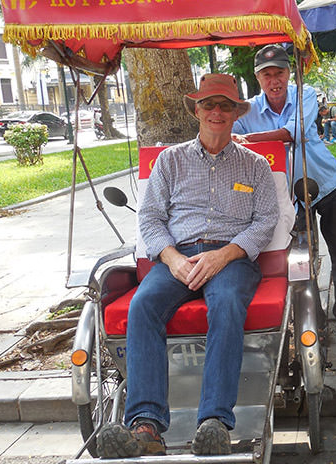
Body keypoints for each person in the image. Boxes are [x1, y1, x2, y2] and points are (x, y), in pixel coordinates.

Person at [96, 73, 279, 458]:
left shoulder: (256, 165)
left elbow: (265, 221)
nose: (216, 112)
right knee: (143, 305)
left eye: (225, 106)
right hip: (176, 257)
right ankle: (145, 425)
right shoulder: (170, 159)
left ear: (235, 114)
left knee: (227, 303)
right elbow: (149, 219)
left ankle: (214, 422)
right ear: (196, 110)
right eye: (209, 104)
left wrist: (223, 255)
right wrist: (173, 259)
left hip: (230, 258)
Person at [232, 44, 336, 341]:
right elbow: (226, 132)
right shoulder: (248, 109)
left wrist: (246, 139)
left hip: (326, 184)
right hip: (289, 197)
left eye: (279, 73)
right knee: (302, 259)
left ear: (290, 74)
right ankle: (314, 318)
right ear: (257, 78)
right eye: (267, 75)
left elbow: (293, 133)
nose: (274, 81)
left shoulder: (307, 94)